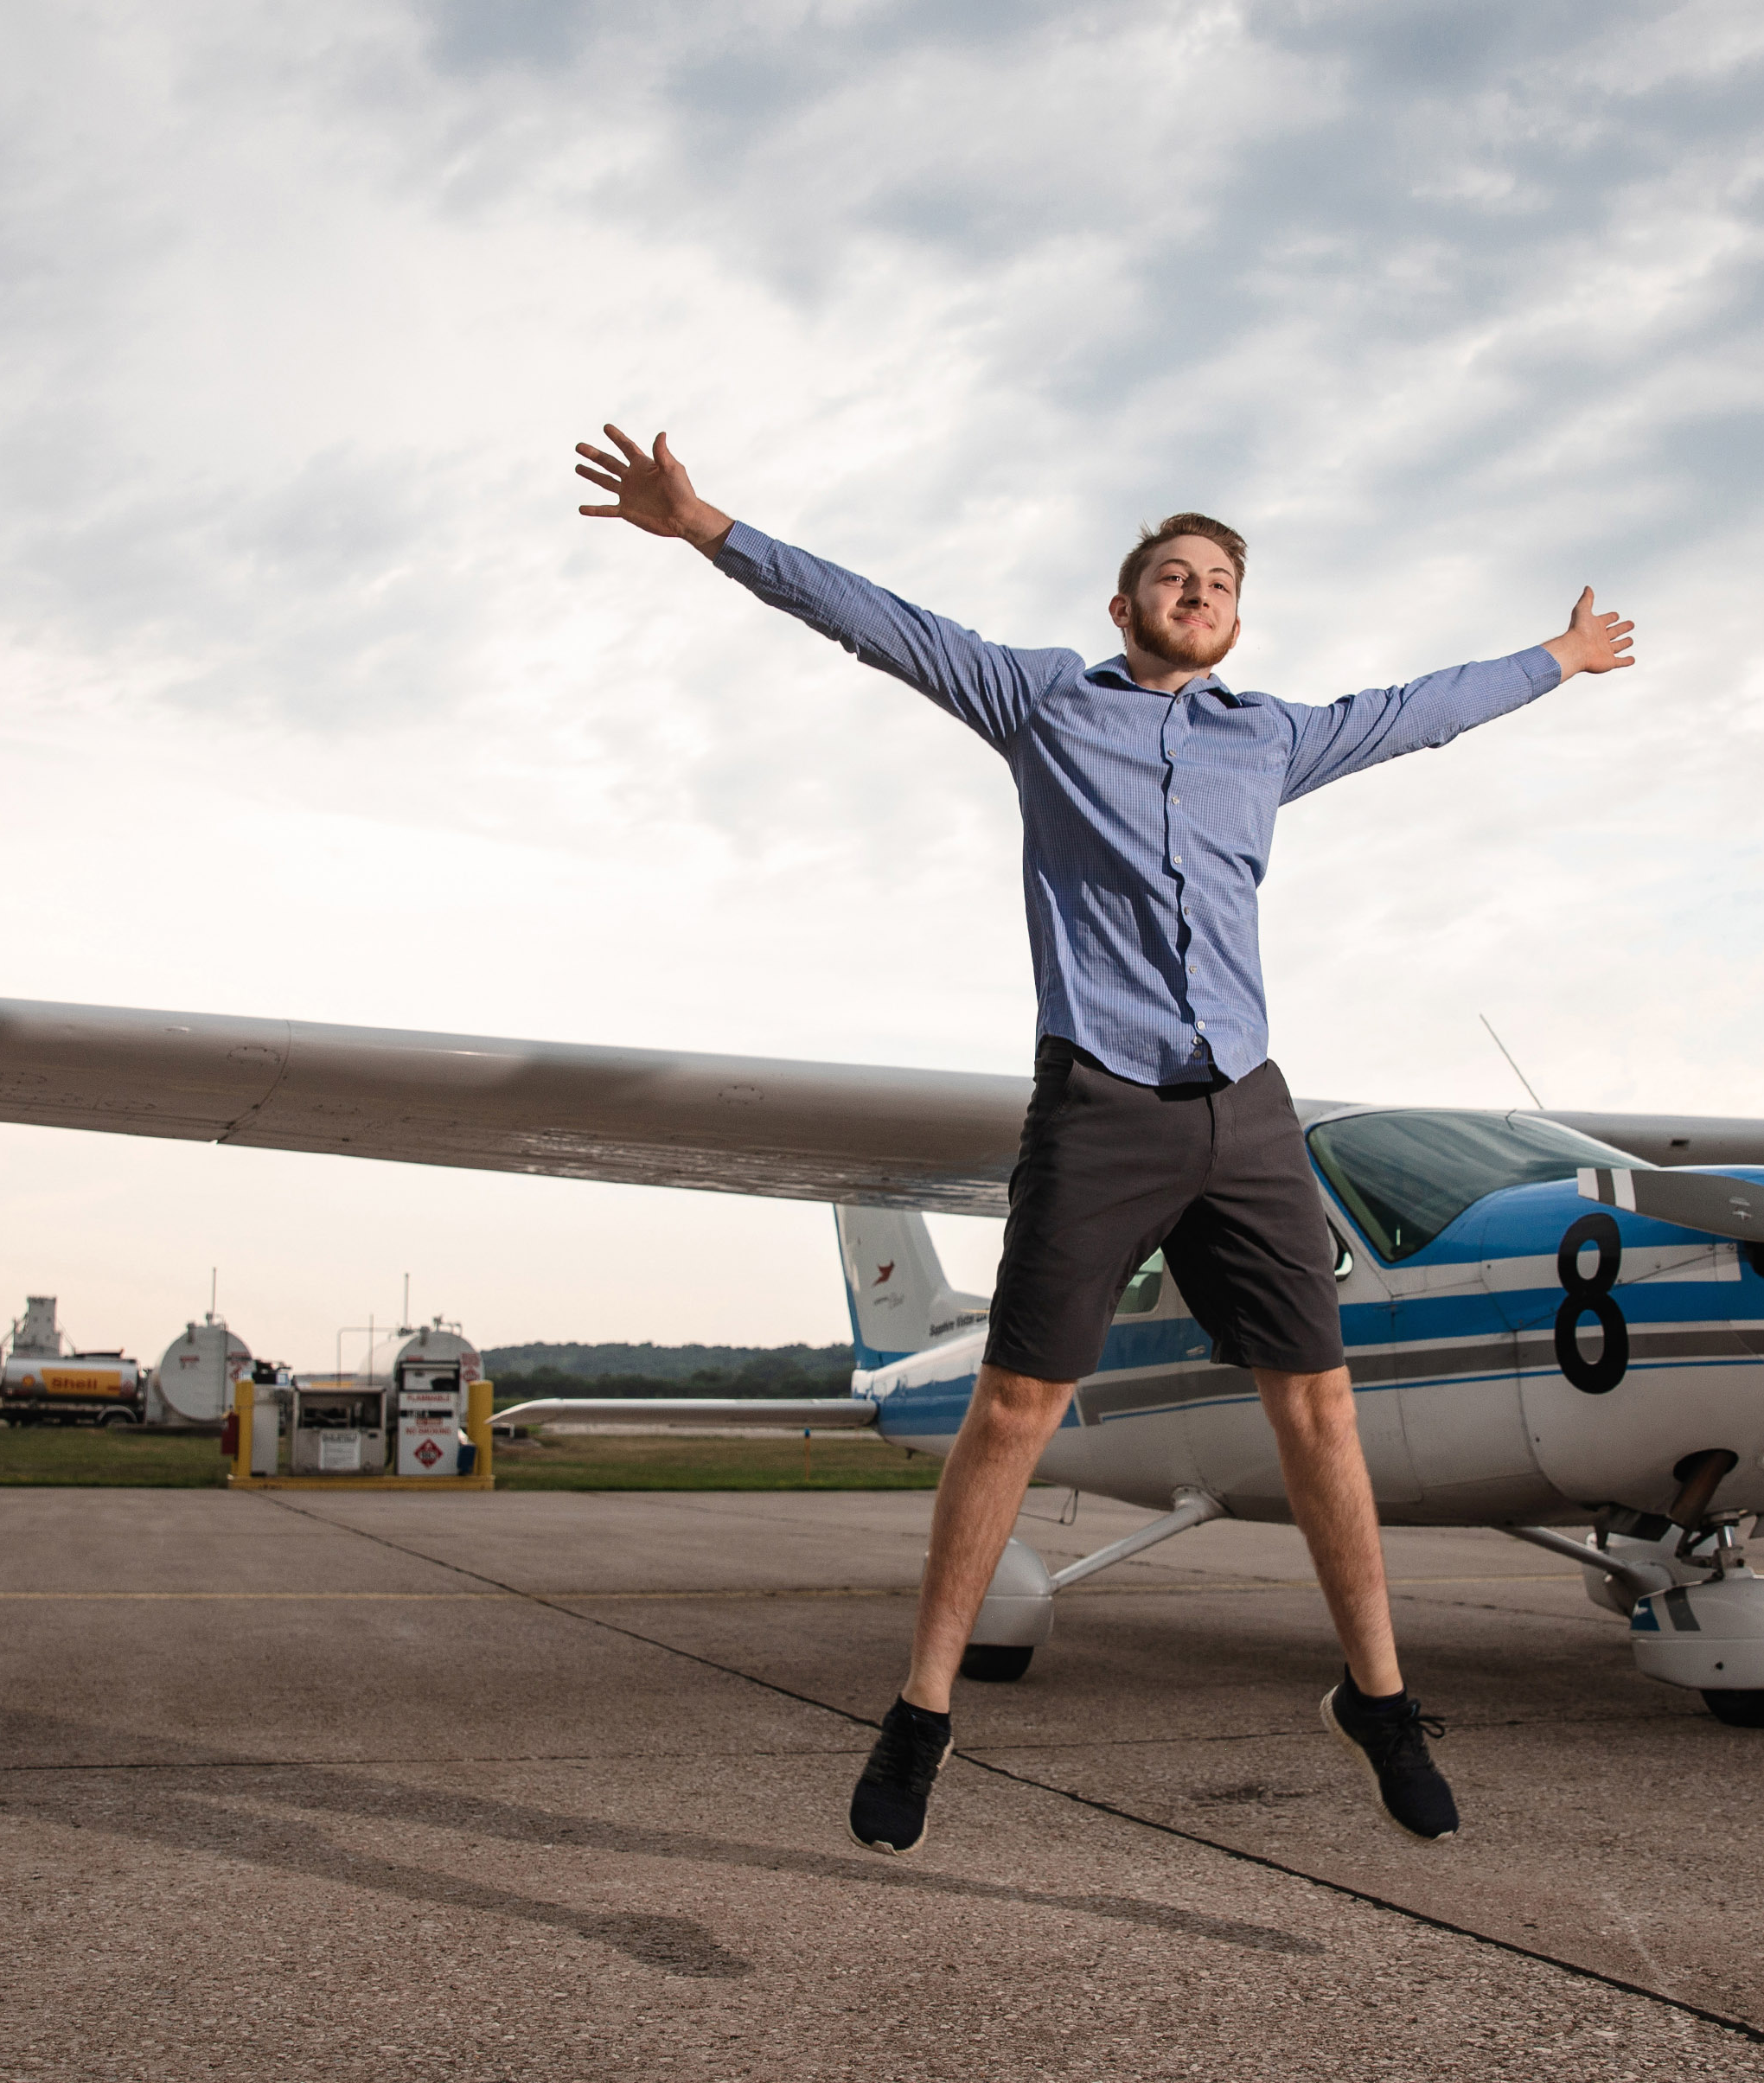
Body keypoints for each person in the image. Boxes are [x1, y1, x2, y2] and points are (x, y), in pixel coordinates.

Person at [575, 425, 1635, 1855]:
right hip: (1101, 1104)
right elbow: (879, 623)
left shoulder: (1271, 737)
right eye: (1171, 573)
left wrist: (1554, 662)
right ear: (1123, 601)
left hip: (1250, 1112)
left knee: (1318, 1405)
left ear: (1237, 618)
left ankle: (1379, 1699)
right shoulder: (1043, 705)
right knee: (1015, 1408)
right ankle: (922, 1711)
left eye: (1217, 580)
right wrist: (710, 528)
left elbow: (1418, 708)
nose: (1196, 590)